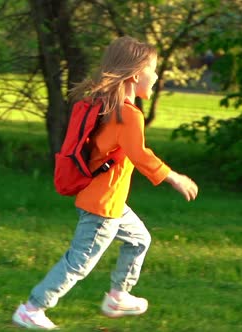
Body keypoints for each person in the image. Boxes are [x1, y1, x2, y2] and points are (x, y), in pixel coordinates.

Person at [12, 36, 199, 330]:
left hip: (107, 201)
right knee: (79, 262)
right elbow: (139, 154)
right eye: (154, 69)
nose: (157, 76)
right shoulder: (127, 115)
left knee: (139, 240)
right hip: (102, 207)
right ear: (137, 74)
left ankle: (118, 296)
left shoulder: (108, 106)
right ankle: (32, 308)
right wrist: (173, 177)